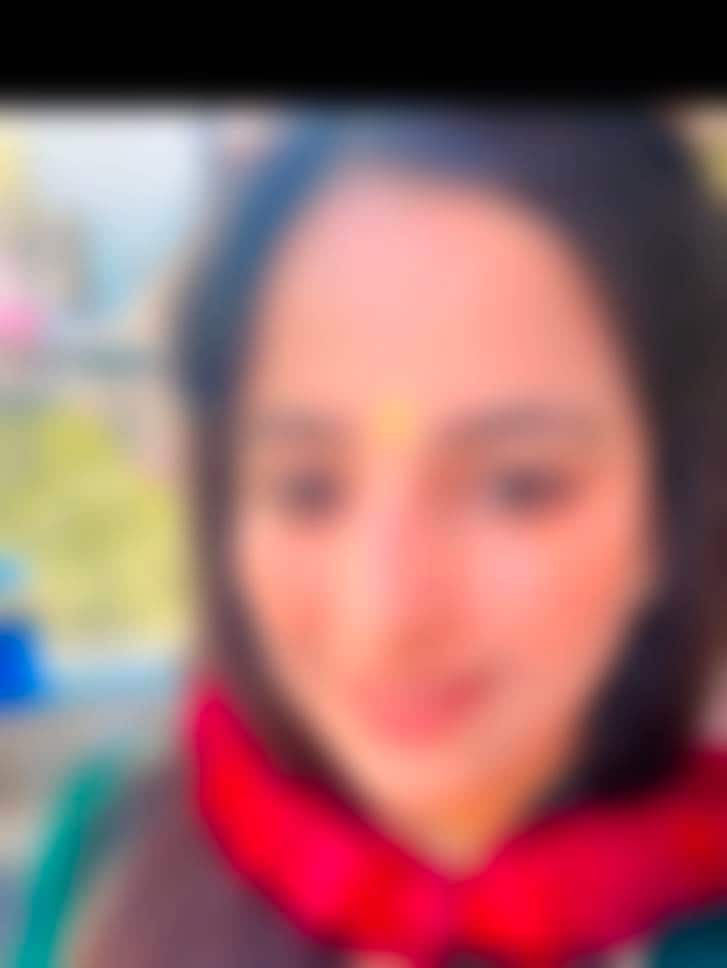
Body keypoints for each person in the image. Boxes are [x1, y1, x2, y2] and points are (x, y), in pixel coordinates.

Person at [12, 109, 727, 967]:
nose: (384, 614)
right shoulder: (106, 858)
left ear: (672, 508)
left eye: (517, 487)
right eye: (307, 490)